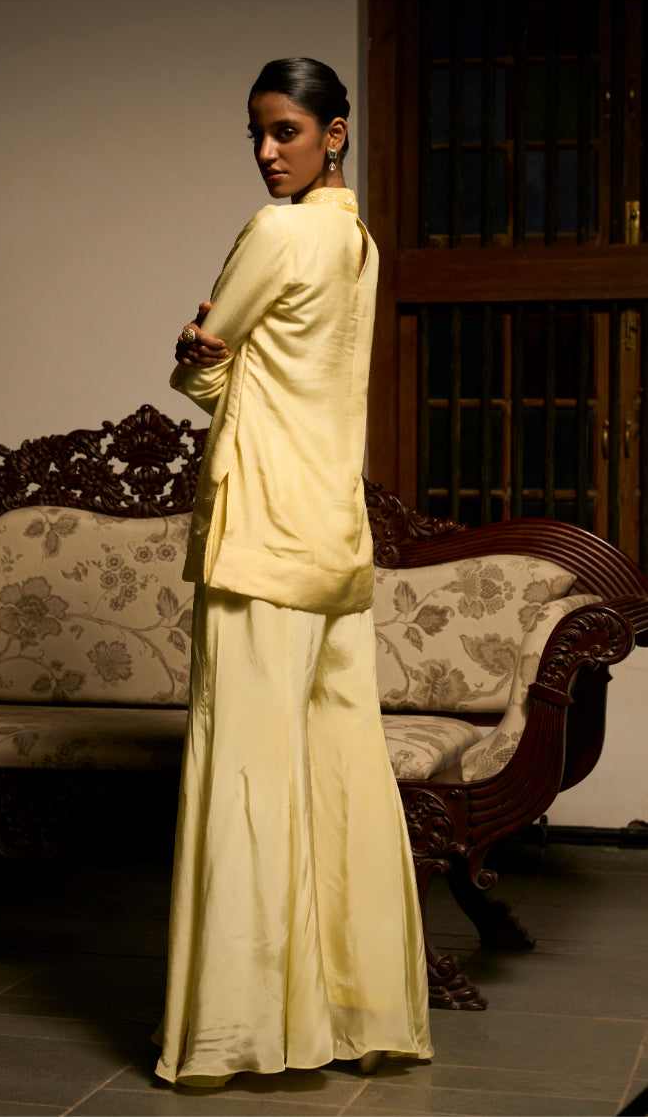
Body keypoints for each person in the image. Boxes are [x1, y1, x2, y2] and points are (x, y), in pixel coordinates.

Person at [154, 57, 432, 1087]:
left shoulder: (276, 234)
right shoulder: (357, 242)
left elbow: (201, 367)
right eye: (258, 135)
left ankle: (236, 1034)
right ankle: (359, 1016)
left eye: (286, 132)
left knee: (246, 771)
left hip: (264, 534)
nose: (269, 153)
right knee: (339, 773)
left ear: (333, 133)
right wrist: (217, 353)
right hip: (332, 535)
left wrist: (196, 345)